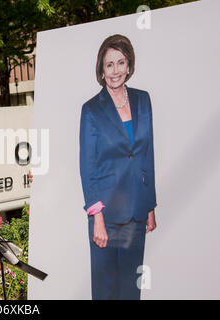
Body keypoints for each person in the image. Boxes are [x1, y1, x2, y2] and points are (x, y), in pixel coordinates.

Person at [79, 34, 157, 300]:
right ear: (101, 69)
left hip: (136, 212)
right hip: (106, 217)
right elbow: (87, 168)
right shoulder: (91, 110)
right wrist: (96, 218)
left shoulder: (143, 100)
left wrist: (150, 206)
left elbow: (147, 156)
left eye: (120, 62)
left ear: (129, 64)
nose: (115, 71)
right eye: (109, 64)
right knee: (105, 293)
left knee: (130, 292)